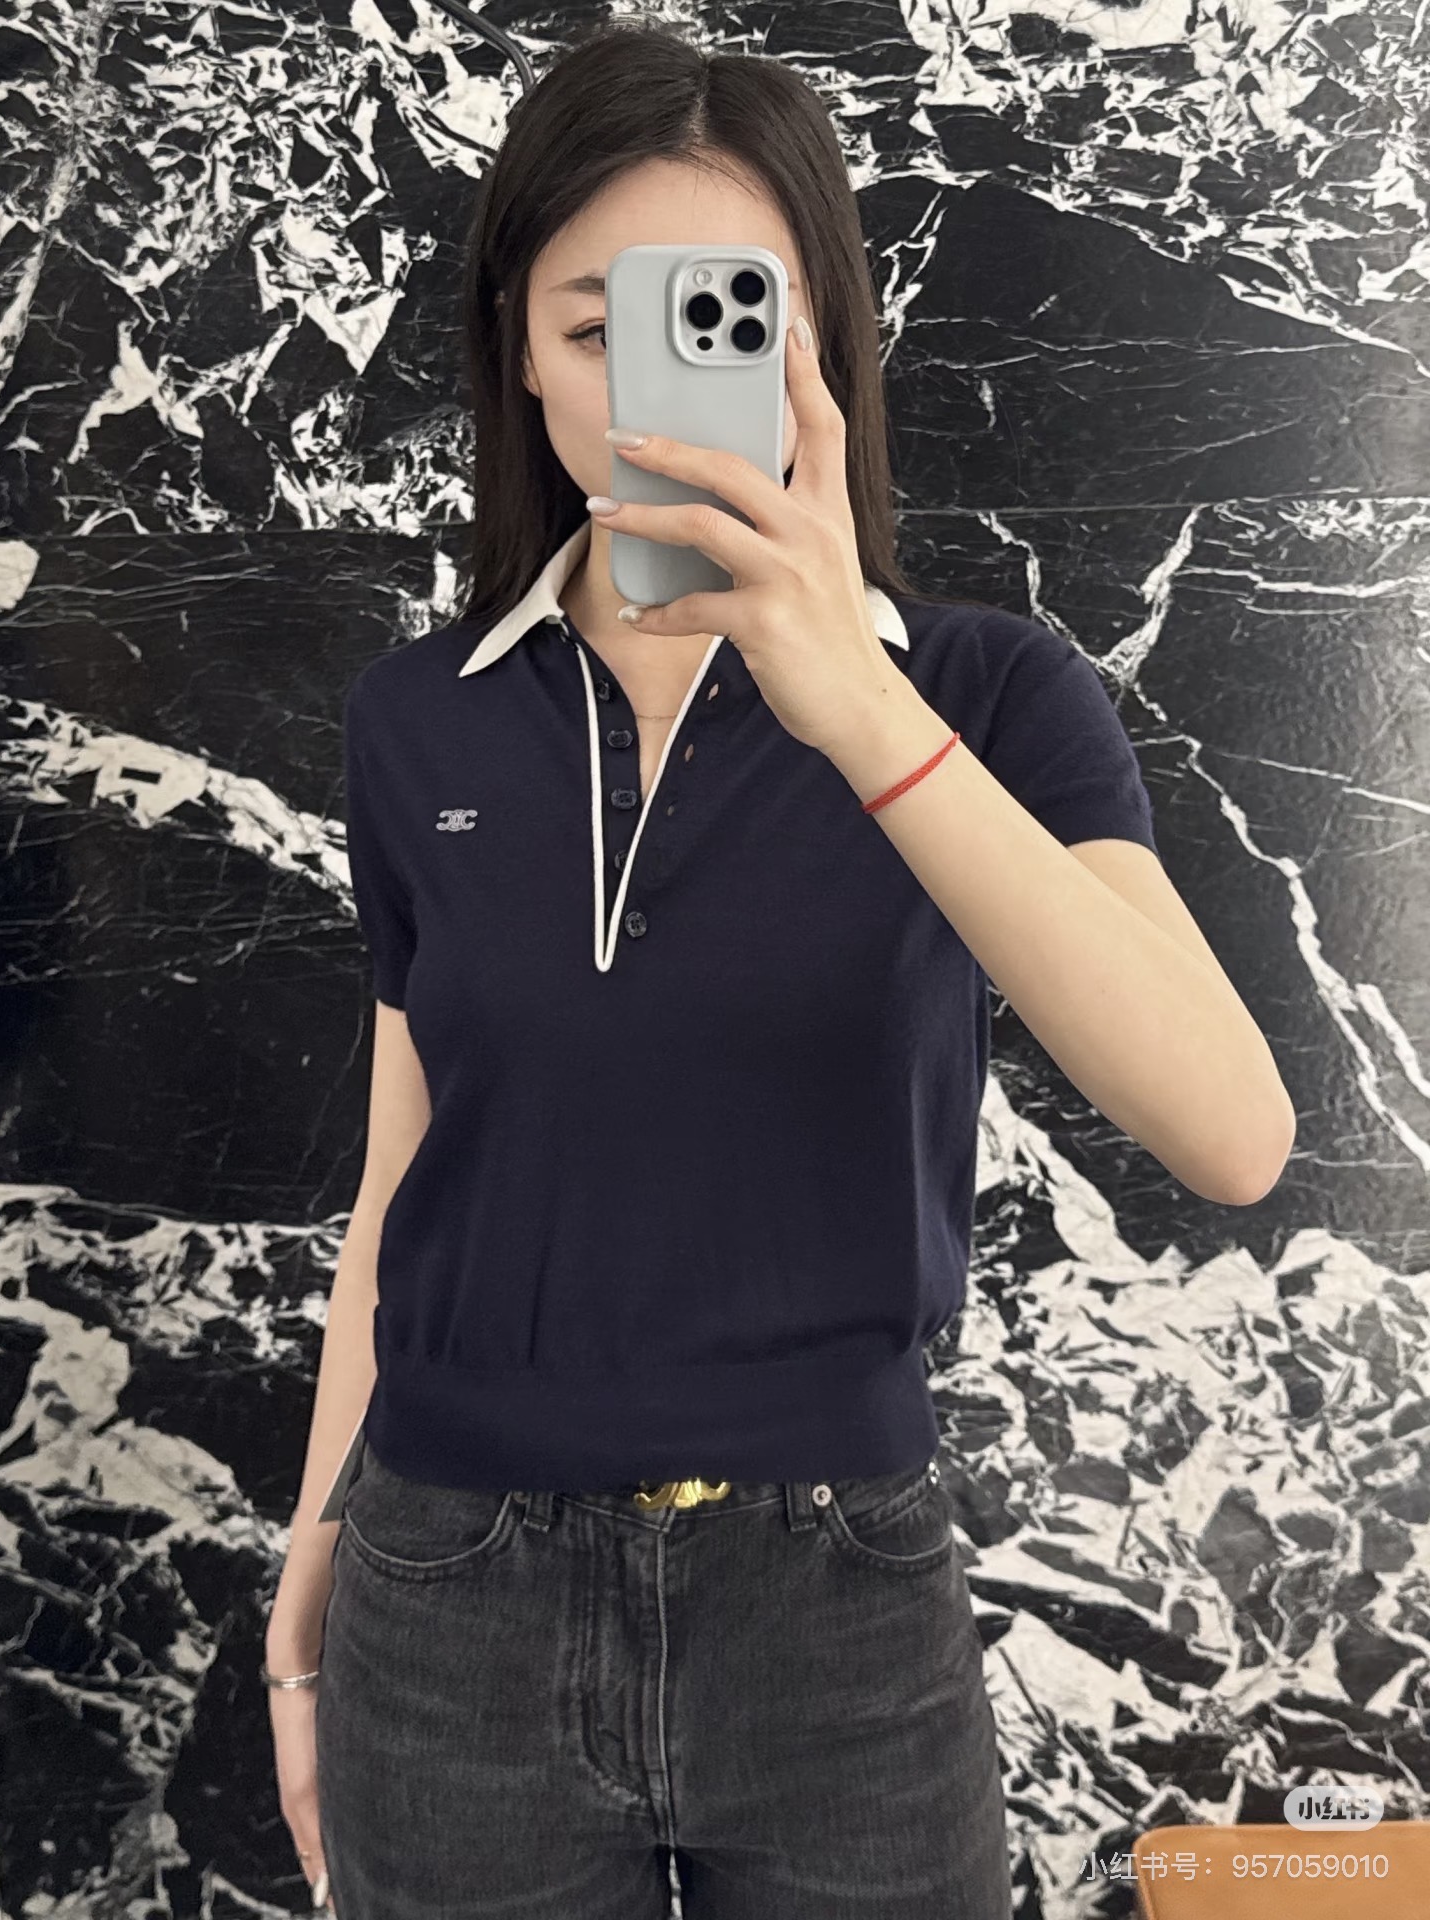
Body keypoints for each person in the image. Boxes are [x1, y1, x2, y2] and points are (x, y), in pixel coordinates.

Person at [263, 21, 1293, 1920]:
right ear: (519, 355)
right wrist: (309, 1571)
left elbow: (1232, 1135)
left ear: (818, 348)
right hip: (449, 1594)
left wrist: (853, 702)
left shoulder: (984, 692)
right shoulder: (419, 718)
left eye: (721, 326)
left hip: (840, 1606)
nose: (652, 398)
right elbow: (405, 1176)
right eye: (595, 330)